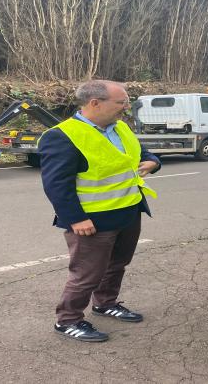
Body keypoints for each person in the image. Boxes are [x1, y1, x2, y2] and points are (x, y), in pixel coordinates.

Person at [38, 80, 161, 342]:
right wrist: (76, 219)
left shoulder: (121, 128)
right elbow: (56, 185)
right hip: (92, 221)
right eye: (121, 102)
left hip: (128, 212)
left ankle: (105, 303)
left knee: (117, 265)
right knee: (86, 274)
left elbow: (142, 154)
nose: (126, 107)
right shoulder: (62, 136)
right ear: (95, 103)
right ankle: (68, 320)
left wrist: (153, 161)